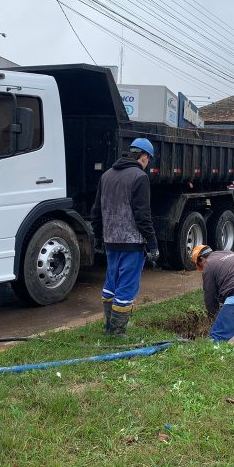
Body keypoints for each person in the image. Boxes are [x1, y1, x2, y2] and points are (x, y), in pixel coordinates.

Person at [91, 138, 159, 335]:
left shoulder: (106, 175)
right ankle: (118, 331)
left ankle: (108, 326)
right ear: (144, 156)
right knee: (127, 286)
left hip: (110, 240)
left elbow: (96, 211)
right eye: (149, 160)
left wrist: (98, 237)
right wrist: (153, 243)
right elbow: (142, 216)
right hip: (132, 242)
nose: (148, 164)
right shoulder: (139, 177)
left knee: (111, 282)